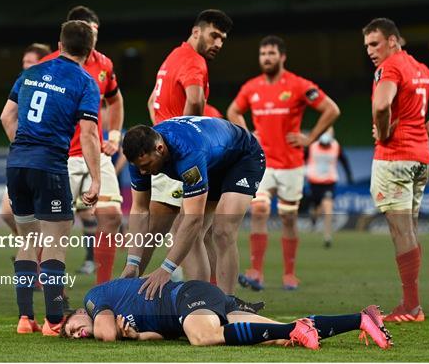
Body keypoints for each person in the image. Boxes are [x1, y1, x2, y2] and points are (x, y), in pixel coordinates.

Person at [0, 20, 101, 336]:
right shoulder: (85, 82)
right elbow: (87, 133)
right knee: (56, 242)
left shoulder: (30, 73)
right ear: (90, 49)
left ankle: (25, 319)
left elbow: (6, 116)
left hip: (16, 164)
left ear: (59, 43)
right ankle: (54, 320)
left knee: (27, 239)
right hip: (50, 166)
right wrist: (96, 179)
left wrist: (23, 150)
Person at [362, 18, 429, 322]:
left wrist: (384, 131)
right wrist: (422, 130)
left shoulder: (390, 67)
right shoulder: (418, 67)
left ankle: (412, 306)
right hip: (420, 158)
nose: (370, 51)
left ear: (393, 40)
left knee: (401, 230)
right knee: (410, 229)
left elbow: (381, 105)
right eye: (366, 46)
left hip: (395, 159)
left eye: (375, 43)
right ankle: (412, 302)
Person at [227, 36, 340, 291]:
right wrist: (247, 134)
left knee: (289, 219)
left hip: (291, 164)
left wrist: (310, 138)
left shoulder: (299, 85)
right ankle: (256, 272)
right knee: (259, 210)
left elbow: (331, 109)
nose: (266, 58)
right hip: (262, 163)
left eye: (271, 53)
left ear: (282, 57)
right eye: (263, 53)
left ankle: (290, 274)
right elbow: (233, 110)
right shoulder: (251, 87)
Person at [121, 116, 265, 302]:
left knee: (222, 230)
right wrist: (133, 263)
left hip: (242, 158)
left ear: (160, 149)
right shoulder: (140, 160)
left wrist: (166, 269)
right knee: (187, 230)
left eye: (147, 166)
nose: (143, 172)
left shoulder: (188, 153)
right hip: (212, 159)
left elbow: (194, 219)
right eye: (139, 167)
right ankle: (202, 301)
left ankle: (227, 304)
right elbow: (140, 210)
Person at [136, 10, 233, 282]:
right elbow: (194, 99)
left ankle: (200, 297)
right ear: (196, 31)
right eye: (214, 36)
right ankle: (203, 298)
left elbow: (151, 100)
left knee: (183, 230)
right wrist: (189, 133)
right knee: (185, 230)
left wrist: (162, 128)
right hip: (176, 154)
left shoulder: (172, 58)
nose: (218, 44)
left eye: (223, 39)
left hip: (168, 150)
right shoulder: (195, 62)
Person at [59, 277, 392, 351]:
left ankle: (295, 328)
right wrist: (137, 335)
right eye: (74, 336)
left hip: (187, 296)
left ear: (79, 312)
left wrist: (116, 332)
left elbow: (103, 333)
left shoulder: (94, 298)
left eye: (73, 327)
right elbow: (163, 334)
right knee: (279, 337)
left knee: (203, 338)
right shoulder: (124, 317)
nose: (78, 333)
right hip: (193, 309)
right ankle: (361, 319)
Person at [42, 6, 125, 284]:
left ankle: (103, 288)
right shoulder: (51, 64)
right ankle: (52, 289)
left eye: (94, 32)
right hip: (61, 156)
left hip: (95, 152)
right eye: (85, 31)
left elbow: (115, 99)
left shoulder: (104, 65)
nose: (91, 37)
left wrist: (114, 135)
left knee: (111, 215)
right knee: (55, 226)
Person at [2, 43, 51, 237]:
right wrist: (22, 147)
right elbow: (7, 117)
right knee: (7, 213)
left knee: (48, 219)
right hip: (22, 156)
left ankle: (34, 257)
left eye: (30, 62)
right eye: (24, 62)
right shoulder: (23, 82)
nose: (25, 65)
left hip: (47, 159)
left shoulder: (53, 87)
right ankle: (31, 252)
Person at [305, 127, 354, 248]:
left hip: (329, 181)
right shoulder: (312, 146)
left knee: (328, 207)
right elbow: (302, 158)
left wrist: (349, 175)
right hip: (314, 181)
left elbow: (344, 161)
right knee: (317, 208)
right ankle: (314, 220)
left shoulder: (336, 146)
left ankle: (327, 236)